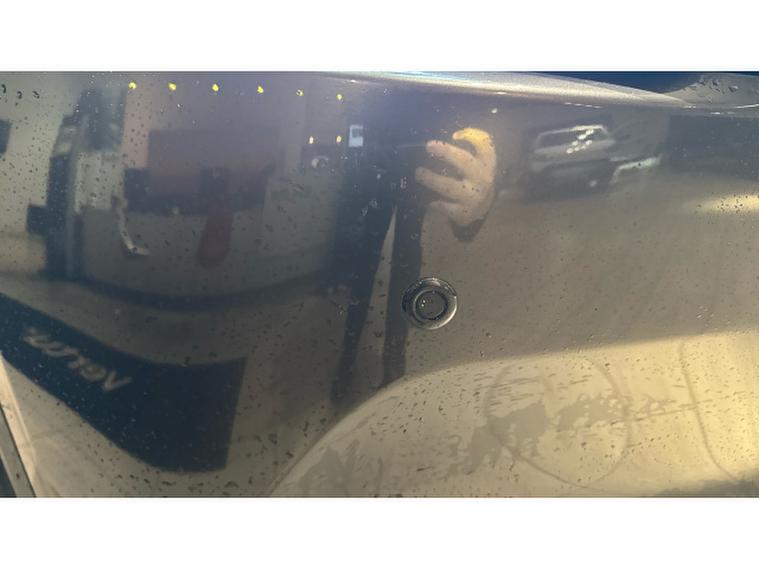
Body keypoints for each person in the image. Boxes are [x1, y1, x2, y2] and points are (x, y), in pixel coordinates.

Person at [329, 90, 499, 401]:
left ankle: (392, 363)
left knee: (404, 284)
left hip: (416, 209)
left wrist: (479, 200)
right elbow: (352, 159)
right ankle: (348, 359)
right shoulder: (370, 98)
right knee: (363, 284)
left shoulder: (452, 103)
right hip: (374, 207)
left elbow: (465, 217)